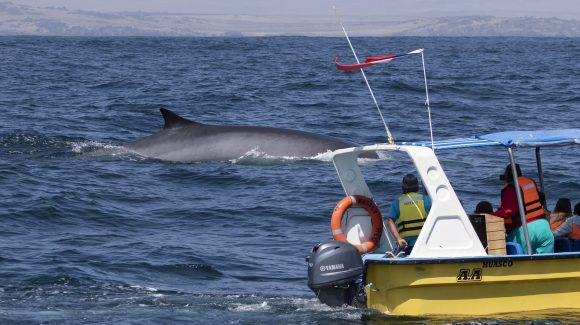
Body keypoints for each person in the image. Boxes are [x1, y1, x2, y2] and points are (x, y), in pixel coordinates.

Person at [492, 164, 554, 254]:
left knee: (521, 263)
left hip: (524, 230)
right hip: (543, 227)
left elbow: (509, 211)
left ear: (509, 174)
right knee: (547, 263)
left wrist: (491, 215)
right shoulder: (530, 182)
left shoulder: (511, 188)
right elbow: (541, 198)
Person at [386, 174, 431, 252]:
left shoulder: (397, 203)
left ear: (403, 187)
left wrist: (399, 239)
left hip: (407, 245)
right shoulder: (426, 200)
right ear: (417, 186)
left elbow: (390, 220)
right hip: (426, 242)